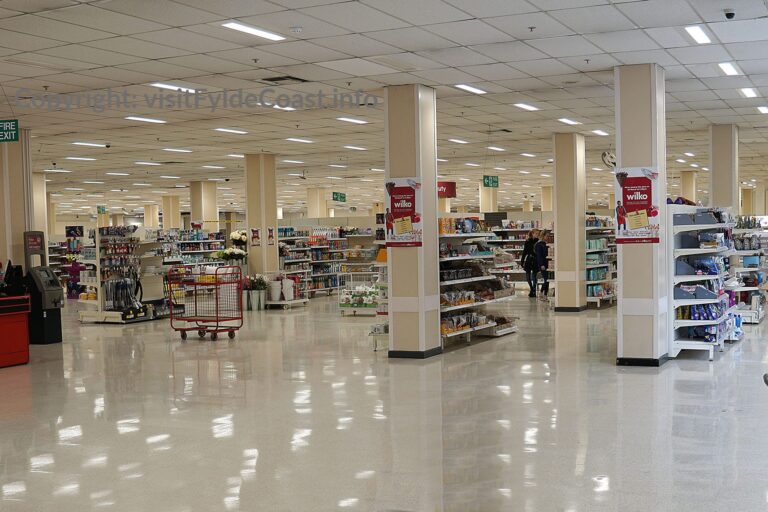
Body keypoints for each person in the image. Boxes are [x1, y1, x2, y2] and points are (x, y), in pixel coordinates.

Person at [520, 229, 539, 298]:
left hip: (536, 260)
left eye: (538, 234)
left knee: (534, 276)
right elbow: (524, 252)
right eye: (536, 233)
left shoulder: (538, 242)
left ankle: (533, 290)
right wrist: (522, 261)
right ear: (532, 233)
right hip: (529, 259)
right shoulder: (527, 241)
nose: (537, 235)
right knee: (527, 277)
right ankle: (532, 289)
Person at [534, 230, 550, 301]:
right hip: (543, 265)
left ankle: (544, 295)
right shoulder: (539, 244)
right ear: (543, 236)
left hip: (548, 264)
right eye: (547, 236)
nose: (548, 237)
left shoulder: (545, 243)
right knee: (546, 279)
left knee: (548, 280)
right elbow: (539, 256)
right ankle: (542, 294)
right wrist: (541, 265)